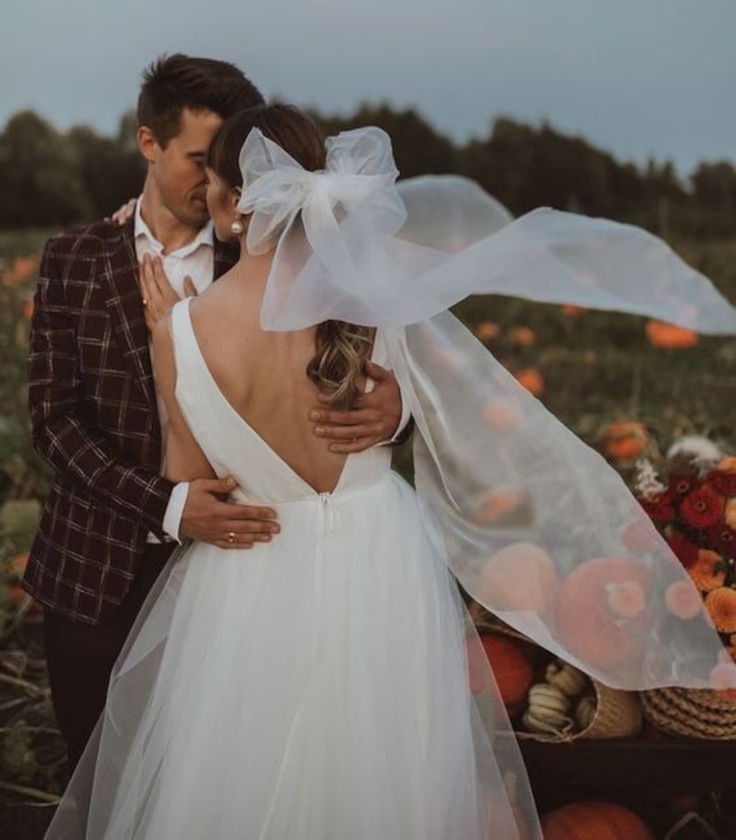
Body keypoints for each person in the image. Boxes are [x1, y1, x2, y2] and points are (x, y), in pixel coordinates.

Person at [46, 103, 736, 839]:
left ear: (230, 200)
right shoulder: (374, 307)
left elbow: (190, 473)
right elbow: (434, 412)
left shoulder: (180, 331)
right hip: (380, 559)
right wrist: (400, 408)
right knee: (392, 762)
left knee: (247, 767)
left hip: (251, 568)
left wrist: (168, 342)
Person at [23, 57, 406, 771]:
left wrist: (396, 410)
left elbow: (352, 365)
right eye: (198, 160)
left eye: (229, 165)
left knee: (227, 770)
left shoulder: (272, 259)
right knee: (96, 770)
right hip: (97, 566)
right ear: (149, 144)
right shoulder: (75, 257)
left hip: (246, 578)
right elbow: (54, 420)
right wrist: (168, 507)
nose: (215, 182)